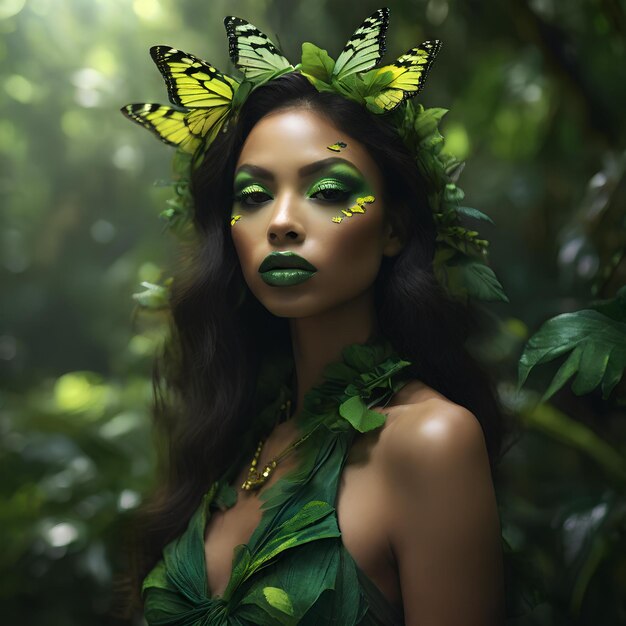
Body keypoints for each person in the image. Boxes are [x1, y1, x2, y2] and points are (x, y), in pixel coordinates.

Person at [122, 8, 506, 625]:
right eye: (252, 196)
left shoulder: (431, 442)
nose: (280, 221)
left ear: (395, 228)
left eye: (328, 191)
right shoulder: (234, 437)